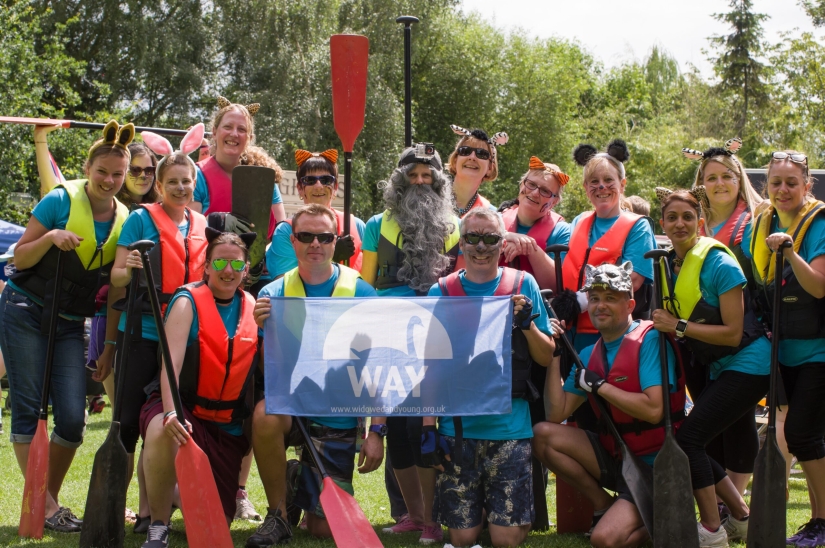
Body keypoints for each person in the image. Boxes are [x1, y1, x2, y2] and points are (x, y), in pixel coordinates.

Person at [0, 120, 133, 532]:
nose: (109, 180)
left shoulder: (124, 219)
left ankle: (44, 501)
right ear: (88, 167)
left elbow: (115, 292)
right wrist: (51, 237)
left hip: (71, 323)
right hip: (25, 309)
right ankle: (49, 506)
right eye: (102, 172)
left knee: (73, 419)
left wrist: (109, 346)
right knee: (28, 408)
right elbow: (18, 259)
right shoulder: (59, 200)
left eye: (118, 174)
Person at [248, 204, 382, 546]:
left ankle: (295, 479)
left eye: (324, 236)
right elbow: (268, 372)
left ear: (335, 241)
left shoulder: (362, 292)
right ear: (293, 241)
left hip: (337, 413)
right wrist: (262, 331)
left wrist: (377, 430)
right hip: (292, 407)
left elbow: (379, 365)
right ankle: (277, 515)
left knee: (324, 530)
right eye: (306, 236)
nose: (315, 244)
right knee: (264, 416)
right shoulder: (271, 295)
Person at [425, 207, 555, 548]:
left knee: (506, 541)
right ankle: (478, 518)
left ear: (502, 242)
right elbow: (429, 367)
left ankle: (505, 520)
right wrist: (428, 428)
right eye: (473, 238)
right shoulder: (441, 292)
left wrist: (527, 325)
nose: (481, 247)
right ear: (462, 243)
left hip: (510, 428)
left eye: (491, 239)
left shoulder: (523, 285)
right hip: (458, 431)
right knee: (463, 539)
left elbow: (545, 355)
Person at [532, 261, 682, 548]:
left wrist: (601, 387)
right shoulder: (590, 353)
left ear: (630, 304)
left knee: (604, 541)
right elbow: (556, 413)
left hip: (657, 468)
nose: (600, 306)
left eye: (611, 298)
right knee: (542, 435)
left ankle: (661, 517)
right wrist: (554, 353)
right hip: (620, 461)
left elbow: (653, 411)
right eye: (595, 298)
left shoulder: (649, 340)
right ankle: (604, 505)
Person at [652, 187, 770, 546]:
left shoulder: (719, 262)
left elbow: (733, 334)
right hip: (718, 367)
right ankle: (741, 517)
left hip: (751, 364)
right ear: (663, 224)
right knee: (695, 439)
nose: (679, 223)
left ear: (700, 222)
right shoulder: (668, 263)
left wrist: (679, 327)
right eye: (672, 217)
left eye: (687, 217)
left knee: (689, 439)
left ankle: (711, 529)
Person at [109, 124, 209, 534]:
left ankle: (153, 510)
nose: (181, 188)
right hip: (143, 335)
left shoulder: (202, 224)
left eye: (187, 181)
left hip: (182, 342)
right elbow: (114, 277)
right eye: (173, 182)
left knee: (168, 423)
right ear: (160, 185)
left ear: (194, 183)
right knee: (131, 424)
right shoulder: (138, 220)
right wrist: (128, 267)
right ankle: (128, 508)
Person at [360, 146, 460, 543]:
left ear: (438, 181)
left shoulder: (455, 224)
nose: (420, 182)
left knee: (425, 427)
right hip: (387, 332)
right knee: (398, 428)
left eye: (427, 176)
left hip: (434, 335)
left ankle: (434, 518)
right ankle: (416, 516)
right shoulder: (375, 224)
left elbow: (462, 285)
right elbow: (366, 285)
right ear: (399, 180)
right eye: (413, 175)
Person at [138, 229, 258, 548]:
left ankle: (178, 492)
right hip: (182, 405)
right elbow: (170, 367)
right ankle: (158, 524)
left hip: (224, 425)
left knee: (216, 521)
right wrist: (172, 411)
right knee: (163, 430)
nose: (227, 271)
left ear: (246, 269)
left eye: (235, 264)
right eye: (219, 262)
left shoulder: (253, 307)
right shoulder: (186, 301)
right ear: (206, 267)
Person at [743, 150, 825, 547]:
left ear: (807, 186)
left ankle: (821, 522)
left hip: (817, 349)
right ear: (766, 186)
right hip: (779, 348)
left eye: (792, 182)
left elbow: (819, 286)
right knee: (802, 437)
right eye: (776, 183)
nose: (783, 189)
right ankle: (819, 521)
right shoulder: (760, 223)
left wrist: (790, 250)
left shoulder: (819, 223)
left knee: (802, 434)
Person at [683, 139, 767, 499]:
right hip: (700, 343)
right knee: (709, 423)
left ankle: (735, 499)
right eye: (710, 177)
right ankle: (721, 501)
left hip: (744, 339)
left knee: (739, 420)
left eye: (726, 176)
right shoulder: (693, 225)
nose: (719, 184)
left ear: (739, 178)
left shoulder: (753, 223)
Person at [556, 139, 656, 353]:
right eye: (594, 181)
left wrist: (579, 302)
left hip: (612, 336)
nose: (601, 186)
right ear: (585, 188)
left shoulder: (638, 227)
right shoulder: (578, 221)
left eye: (608, 180)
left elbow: (634, 280)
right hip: (571, 334)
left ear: (622, 184)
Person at [265, 149, 365, 280]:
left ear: (335, 187)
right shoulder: (286, 231)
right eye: (310, 180)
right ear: (300, 188)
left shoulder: (357, 226)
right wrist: (331, 258)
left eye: (326, 180)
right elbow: (284, 287)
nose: (319, 186)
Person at [192, 96, 286, 232]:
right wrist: (216, 222)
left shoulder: (264, 177)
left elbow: (281, 232)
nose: (234, 134)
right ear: (214, 132)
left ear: (250, 138)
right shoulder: (196, 175)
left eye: (241, 129)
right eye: (227, 127)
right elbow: (190, 230)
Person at [497, 155, 571, 290]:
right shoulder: (495, 220)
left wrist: (529, 247)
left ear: (554, 202)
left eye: (545, 191)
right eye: (531, 184)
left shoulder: (562, 231)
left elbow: (557, 286)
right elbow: (476, 270)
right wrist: (504, 236)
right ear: (521, 185)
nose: (535, 193)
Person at [447, 124, 507, 217]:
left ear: (490, 168)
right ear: (455, 160)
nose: (472, 157)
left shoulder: (491, 216)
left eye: (481, 154)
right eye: (465, 151)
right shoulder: (430, 198)